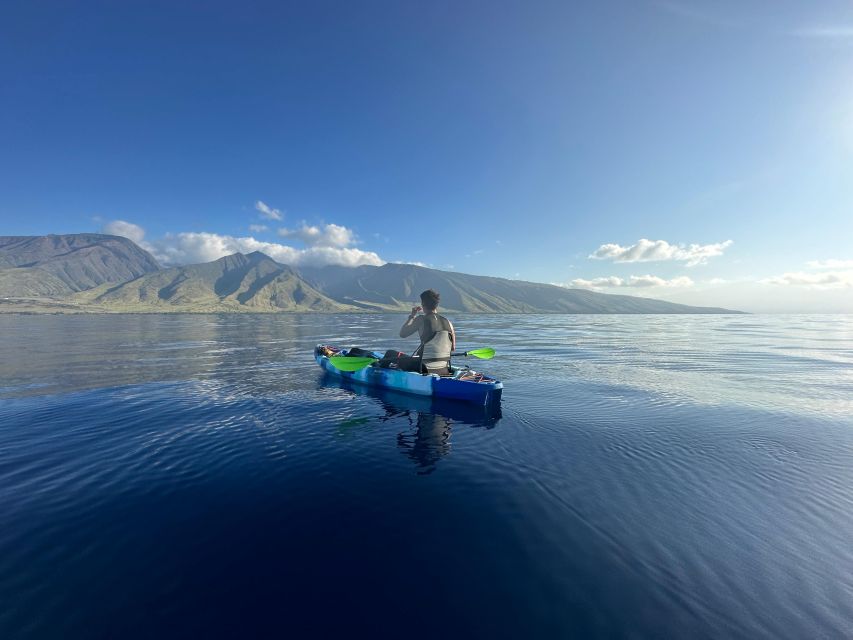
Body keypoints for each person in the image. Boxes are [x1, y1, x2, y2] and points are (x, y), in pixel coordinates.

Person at [382, 289, 456, 375]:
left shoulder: (421, 319)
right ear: (436, 304)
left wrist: (412, 316)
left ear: (423, 304)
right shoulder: (448, 322)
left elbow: (402, 334)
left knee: (390, 353)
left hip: (422, 367)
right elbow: (452, 348)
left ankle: (375, 373)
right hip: (443, 368)